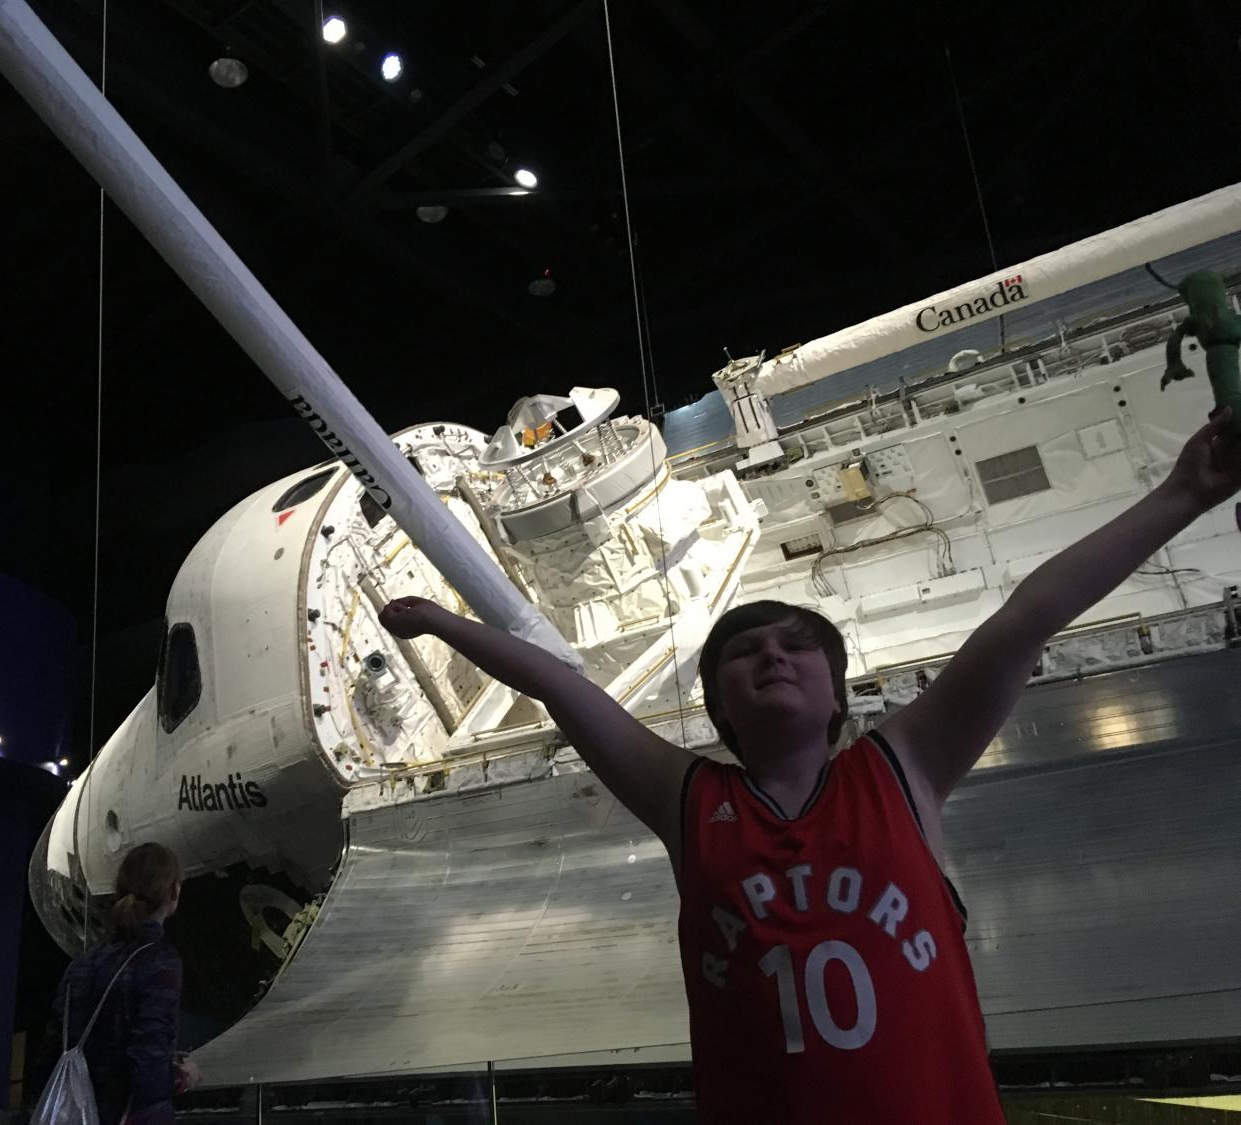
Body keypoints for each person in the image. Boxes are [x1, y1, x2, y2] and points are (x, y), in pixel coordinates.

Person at [379, 409, 1241, 1123]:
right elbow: (564, 688)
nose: (773, 655)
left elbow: (1028, 617)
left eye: (798, 646)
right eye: (745, 650)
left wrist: (1184, 493)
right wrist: (444, 623)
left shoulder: (901, 767)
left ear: (838, 696)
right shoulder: (689, 800)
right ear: (717, 709)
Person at [30, 842, 199, 1125]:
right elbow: (147, 1068)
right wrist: (182, 1077)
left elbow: (48, 1056)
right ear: (173, 891)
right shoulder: (159, 960)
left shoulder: (81, 965)